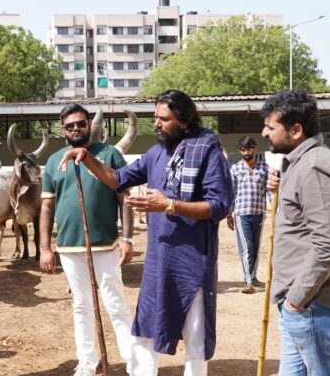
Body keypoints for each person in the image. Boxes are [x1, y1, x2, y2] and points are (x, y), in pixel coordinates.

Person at [58, 90, 234, 376]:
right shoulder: (156, 153)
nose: (157, 123)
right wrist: (87, 157)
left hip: (193, 262)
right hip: (158, 261)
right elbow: (117, 178)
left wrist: (169, 205)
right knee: (144, 331)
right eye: (155, 117)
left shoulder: (208, 150)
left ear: (184, 121)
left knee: (195, 336)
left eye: (164, 119)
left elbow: (220, 205)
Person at [262, 90, 330, 375]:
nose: (264, 133)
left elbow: (328, 246)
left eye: (271, 127)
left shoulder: (314, 168)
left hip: (315, 306)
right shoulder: (301, 164)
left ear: (295, 130)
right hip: (305, 306)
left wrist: (297, 298)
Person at [40, 104, 135, 376]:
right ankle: (87, 362)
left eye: (81, 124)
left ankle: (133, 359)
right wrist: (45, 248)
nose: (76, 129)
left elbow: (125, 198)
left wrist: (127, 238)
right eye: (70, 126)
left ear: (89, 125)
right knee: (81, 306)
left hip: (105, 244)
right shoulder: (53, 161)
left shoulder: (110, 154)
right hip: (69, 247)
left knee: (115, 302)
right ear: (63, 130)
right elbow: (47, 206)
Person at [226, 136, 269, 294]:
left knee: (256, 248)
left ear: (254, 148)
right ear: (239, 151)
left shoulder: (264, 168)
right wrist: (229, 214)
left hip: (259, 213)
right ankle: (248, 281)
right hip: (241, 214)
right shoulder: (235, 169)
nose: (246, 152)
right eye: (243, 150)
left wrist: (278, 209)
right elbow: (231, 193)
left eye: (249, 149)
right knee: (247, 248)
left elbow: (270, 191)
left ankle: (253, 277)